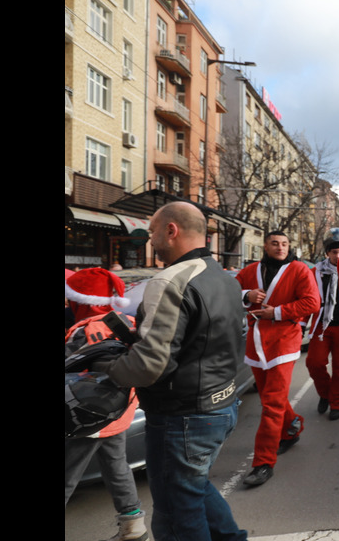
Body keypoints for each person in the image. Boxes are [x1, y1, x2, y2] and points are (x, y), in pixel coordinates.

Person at [98, 201, 247, 541]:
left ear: (171, 230)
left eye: (152, 231)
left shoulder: (169, 280)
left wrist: (105, 369)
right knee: (194, 488)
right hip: (221, 405)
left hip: (183, 417)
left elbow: (151, 364)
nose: (150, 240)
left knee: (176, 516)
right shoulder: (223, 278)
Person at [64, 268, 148, 541]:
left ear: (79, 300)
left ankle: (132, 524)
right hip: (120, 410)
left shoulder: (82, 331)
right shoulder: (126, 321)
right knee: (116, 465)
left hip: (86, 415)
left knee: (67, 473)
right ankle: (132, 524)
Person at [236, 231, 320, 486]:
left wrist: (278, 312)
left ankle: (263, 462)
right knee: (270, 398)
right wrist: (247, 296)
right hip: (256, 343)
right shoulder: (250, 270)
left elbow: (312, 302)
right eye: (275, 243)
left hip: (284, 342)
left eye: (284, 244)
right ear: (265, 246)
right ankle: (292, 425)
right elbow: (230, 291)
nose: (280, 247)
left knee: (271, 403)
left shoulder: (299, 270)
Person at [305, 227, 339, 421]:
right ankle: (325, 394)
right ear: (327, 253)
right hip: (322, 327)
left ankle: (336, 403)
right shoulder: (315, 272)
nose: (338, 255)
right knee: (314, 363)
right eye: (334, 252)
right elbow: (306, 297)